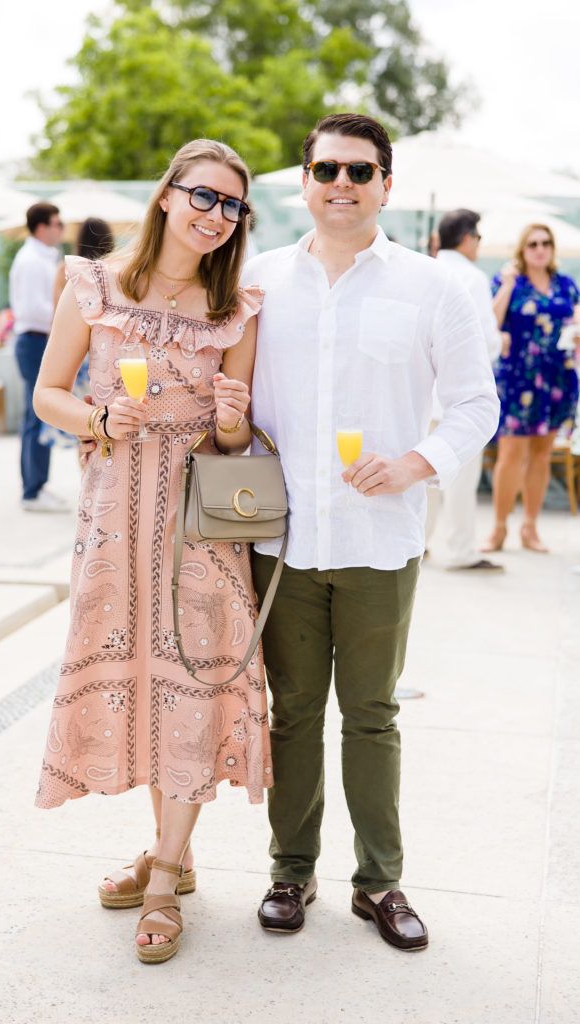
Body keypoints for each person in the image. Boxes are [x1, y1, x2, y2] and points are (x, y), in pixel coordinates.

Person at [242, 113, 499, 951]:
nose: (341, 185)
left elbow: (472, 406)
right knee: (291, 714)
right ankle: (291, 869)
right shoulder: (259, 279)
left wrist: (415, 463)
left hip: (381, 536)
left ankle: (378, 881)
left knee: (372, 715)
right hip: (280, 538)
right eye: (326, 170)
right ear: (304, 181)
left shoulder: (433, 286)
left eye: (359, 172)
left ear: (385, 183)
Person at [33, 139, 272, 964]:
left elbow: (232, 443)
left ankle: (165, 876)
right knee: (138, 678)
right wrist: (99, 420)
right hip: (112, 518)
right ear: (167, 195)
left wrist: (235, 417)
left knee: (193, 685)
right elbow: (48, 394)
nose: (216, 216)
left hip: (200, 525)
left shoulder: (236, 307)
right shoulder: (92, 284)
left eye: (232, 206)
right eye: (203, 197)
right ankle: (173, 852)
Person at [482, 223, 580, 553]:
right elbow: (491, 324)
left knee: (541, 455)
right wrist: (507, 285)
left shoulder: (566, 285)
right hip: (518, 378)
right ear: (522, 250)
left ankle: (530, 528)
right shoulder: (509, 281)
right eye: (533, 244)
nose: (540, 248)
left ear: (552, 248)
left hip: (556, 378)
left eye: (546, 243)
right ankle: (498, 529)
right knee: (510, 454)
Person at [424, 209, 504, 571]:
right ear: (469, 238)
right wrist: (502, 342)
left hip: (422, 395)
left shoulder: (422, 271)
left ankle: (418, 544)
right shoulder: (472, 277)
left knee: (419, 476)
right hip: (459, 398)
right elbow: (484, 341)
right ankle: (460, 550)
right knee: (460, 478)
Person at [10, 202, 67, 511]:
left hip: (37, 340)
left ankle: (35, 486)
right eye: (58, 223)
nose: (62, 228)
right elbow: (32, 309)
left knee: (38, 416)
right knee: (38, 415)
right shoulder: (32, 260)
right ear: (42, 226)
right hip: (34, 341)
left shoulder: (42, 257)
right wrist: (68, 315)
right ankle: (32, 490)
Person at [39, 218, 115, 451]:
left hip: (76, 359)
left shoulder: (65, 271)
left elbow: (56, 319)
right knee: (106, 424)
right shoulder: (113, 273)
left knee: (82, 426)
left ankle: (85, 475)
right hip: (104, 356)